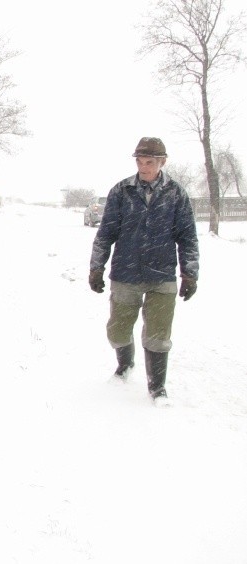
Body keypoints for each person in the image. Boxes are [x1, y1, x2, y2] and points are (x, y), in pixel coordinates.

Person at [88, 137, 199, 406]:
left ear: (162, 162)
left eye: (149, 162)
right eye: (140, 161)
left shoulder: (176, 193)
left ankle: (157, 388)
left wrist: (190, 273)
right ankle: (125, 365)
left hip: (161, 276)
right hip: (126, 273)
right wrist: (96, 267)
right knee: (117, 331)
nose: (144, 167)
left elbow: (187, 236)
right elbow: (106, 233)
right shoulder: (121, 191)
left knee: (158, 336)